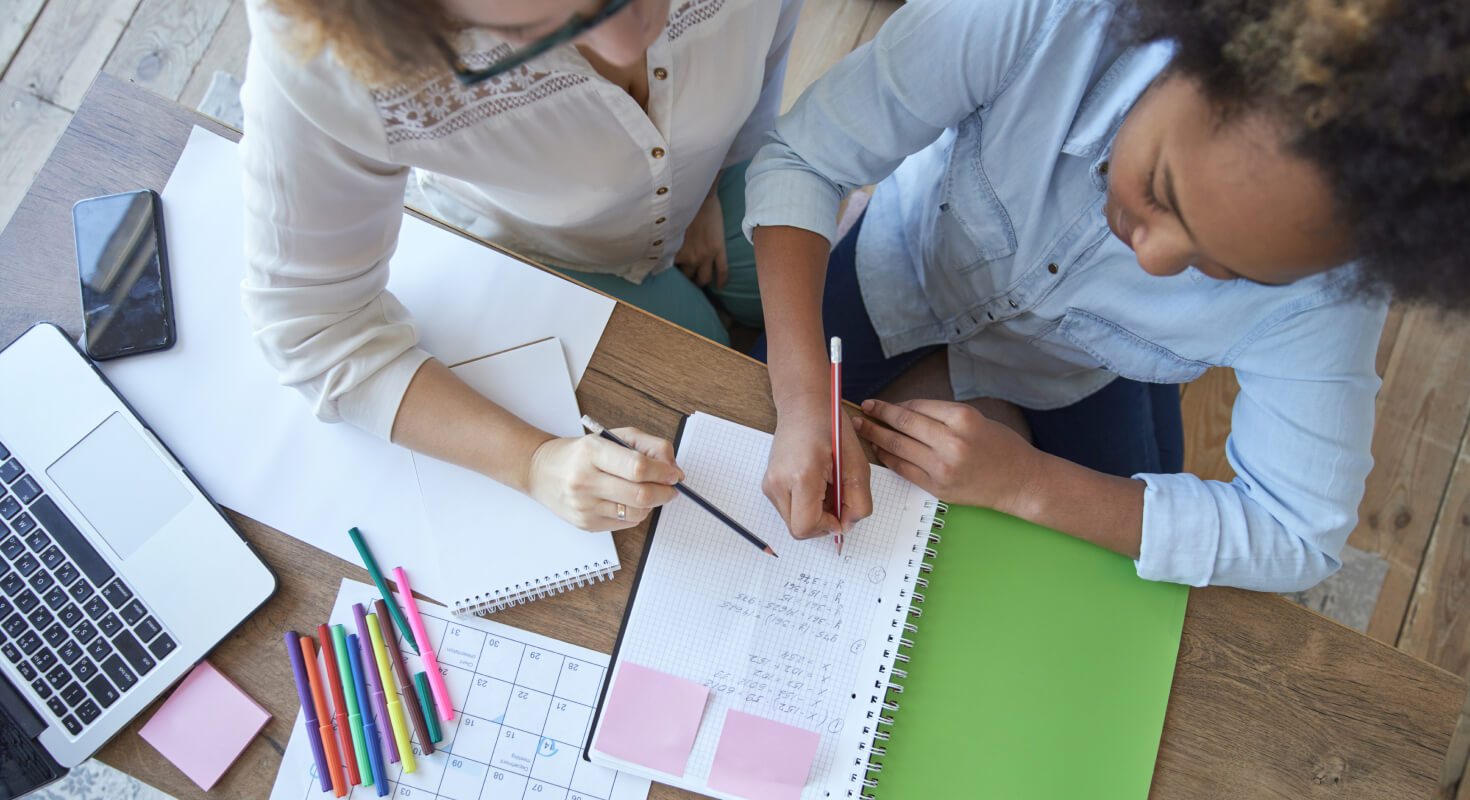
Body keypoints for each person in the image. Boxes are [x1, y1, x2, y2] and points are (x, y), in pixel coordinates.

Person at [745, 0, 1470, 591]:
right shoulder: (1043, 16)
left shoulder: (1330, 291)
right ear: (1189, 48)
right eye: (1161, 191)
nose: (1154, 261)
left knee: (1091, 579)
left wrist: (1029, 484)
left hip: (1078, 371)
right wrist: (808, 398)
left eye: (1229, 270)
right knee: (743, 425)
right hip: (899, 268)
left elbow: (1296, 534)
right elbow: (804, 157)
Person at [239, 0, 801, 531]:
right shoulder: (328, 50)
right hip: (552, 248)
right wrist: (534, 462)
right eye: (528, 34)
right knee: (700, 367)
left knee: (798, 306)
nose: (633, 38)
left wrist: (713, 176)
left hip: (719, 177)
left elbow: (766, 49)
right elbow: (318, 332)